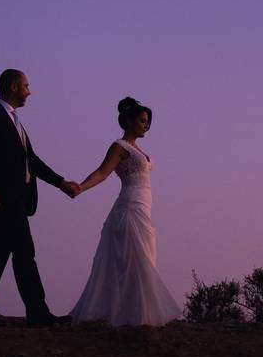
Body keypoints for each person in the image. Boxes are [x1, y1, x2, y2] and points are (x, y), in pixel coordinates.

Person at [0, 69, 80, 328]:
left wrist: (61, 183)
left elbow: (32, 162)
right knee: (22, 254)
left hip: (18, 199)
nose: (30, 91)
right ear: (14, 86)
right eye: (27, 86)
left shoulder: (17, 124)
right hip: (4, 198)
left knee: (1, 255)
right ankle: (37, 314)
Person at [69, 97, 181, 326]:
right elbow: (102, 172)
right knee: (132, 258)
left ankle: (136, 313)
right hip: (129, 206)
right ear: (128, 121)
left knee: (144, 254)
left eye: (148, 122)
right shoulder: (119, 147)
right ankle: (131, 315)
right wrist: (81, 187)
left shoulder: (139, 149)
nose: (146, 125)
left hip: (144, 206)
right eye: (142, 121)